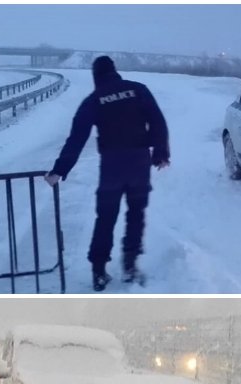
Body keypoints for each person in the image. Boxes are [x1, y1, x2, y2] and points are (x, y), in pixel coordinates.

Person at [45, 55, 170, 292]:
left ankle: (99, 272)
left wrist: (59, 170)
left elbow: (77, 138)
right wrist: (160, 153)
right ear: (115, 72)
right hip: (139, 164)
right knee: (136, 214)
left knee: (106, 217)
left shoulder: (94, 100)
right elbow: (157, 121)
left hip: (112, 167)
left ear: (96, 77)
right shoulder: (138, 90)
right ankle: (130, 265)